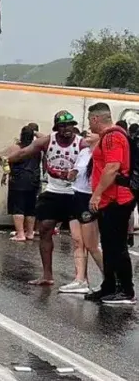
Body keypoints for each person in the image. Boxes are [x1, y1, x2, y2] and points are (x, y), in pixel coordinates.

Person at [7, 110, 85, 286]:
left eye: (70, 125)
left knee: (78, 238)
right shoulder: (48, 140)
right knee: (45, 229)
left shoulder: (82, 143)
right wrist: (6, 159)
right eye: (63, 126)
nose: (67, 129)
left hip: (75, 193)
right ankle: (47, 275)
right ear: (57, 128)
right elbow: (24, 152)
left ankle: (81, 278)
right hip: (53, 192)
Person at [85, 103, 135, 304]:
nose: (89, 124)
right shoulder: (110, 136)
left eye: (90, 120)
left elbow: (112, 168)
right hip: (110, 200)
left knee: (117, 246)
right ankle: (109, 286)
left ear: (96, 119)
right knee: (108, 244)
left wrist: (96, 195)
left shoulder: (112, 137)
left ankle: (126, 290)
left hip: (116, 199)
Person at [59, 130, 104, 293]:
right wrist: (70, 174)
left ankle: (111, 278)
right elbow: (76, 173)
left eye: (92, 132)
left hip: (89, 198)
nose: (88, 133)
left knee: (92, 245)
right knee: (77, 241)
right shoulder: (84, 152)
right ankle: (80, 280)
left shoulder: (101, 154)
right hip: (76, 195)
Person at [0, 126, 40, 241]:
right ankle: (30, 233)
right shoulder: (37, 149)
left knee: (18, 207)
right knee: (30, 208)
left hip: (18, 180)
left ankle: (20, 234)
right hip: (33, 180)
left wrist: (4, 172)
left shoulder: (15, 148)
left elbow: (2, 159)